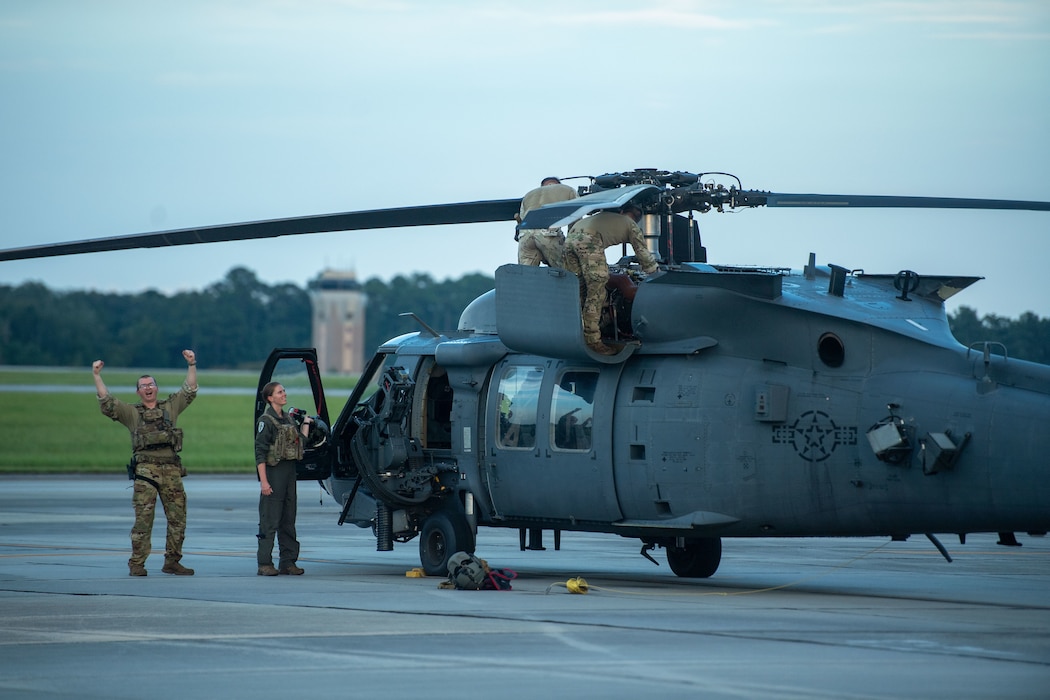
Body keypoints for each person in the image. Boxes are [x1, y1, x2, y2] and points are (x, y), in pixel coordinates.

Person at [93, 350, 198, 577]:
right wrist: (97, 375)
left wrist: (192, 365)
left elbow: (189, 391)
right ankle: (137, 564)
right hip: (145, 471)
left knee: (178, 518)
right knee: (143, 519)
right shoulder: (131, 413)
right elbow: (107, 402)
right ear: (138, 391)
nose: (148, 388)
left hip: (171, 469)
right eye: (143, 386)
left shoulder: (169, 407)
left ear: (156, 388)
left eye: (151, 384)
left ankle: (172, 561)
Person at [563, 204, 660, 355]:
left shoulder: (603, 216)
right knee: (596, 293)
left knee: (578, 289)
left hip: (570, 238)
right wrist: (655, 274)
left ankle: (572, 330)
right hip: (590, 240)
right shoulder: (631, 225)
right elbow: (643, 254)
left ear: (622, 211)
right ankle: (593, 341)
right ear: (637, 219)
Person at [255, 382, 313, 576]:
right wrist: (264, 482)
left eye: (284, 391)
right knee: (269, 520)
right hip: (274, 474)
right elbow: (260, 453)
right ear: (270, 398)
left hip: (289, 475)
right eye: (279, 392)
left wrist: (305, 424)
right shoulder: (266, 421)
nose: (284, 394)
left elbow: (300, 443)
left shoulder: (288, 419)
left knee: (288, 519)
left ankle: (288, 562)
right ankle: (264, 563)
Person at [515, 176, 578, 267]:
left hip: (525, 236)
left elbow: (522, 219)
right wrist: (571, 244)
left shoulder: (529, 195)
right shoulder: (568, 190)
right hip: (548, 234)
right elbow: (575, 218)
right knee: (565, 270)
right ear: (558, 184)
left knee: (526, 274)